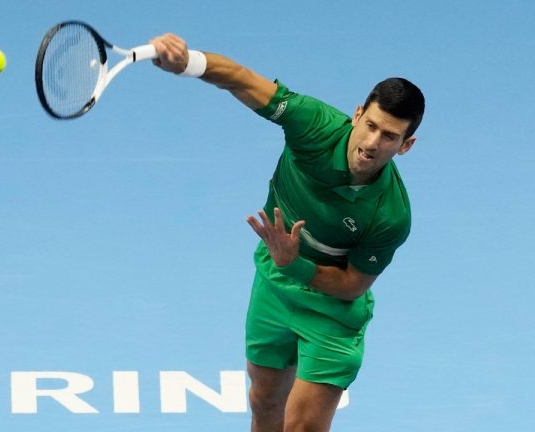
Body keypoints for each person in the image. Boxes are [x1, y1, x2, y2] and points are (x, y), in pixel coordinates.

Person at [150, 33, 425, 431]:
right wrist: (187, 61)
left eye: (389, 137)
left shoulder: (391, 214)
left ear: (406, 145)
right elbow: (242, 79)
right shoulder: (312, 125)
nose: (371, 143)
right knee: (263, 403)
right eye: (370, 126)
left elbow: (352, 285)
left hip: (333, 312)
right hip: (274, 282)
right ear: (358, 112)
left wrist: (294, 264)